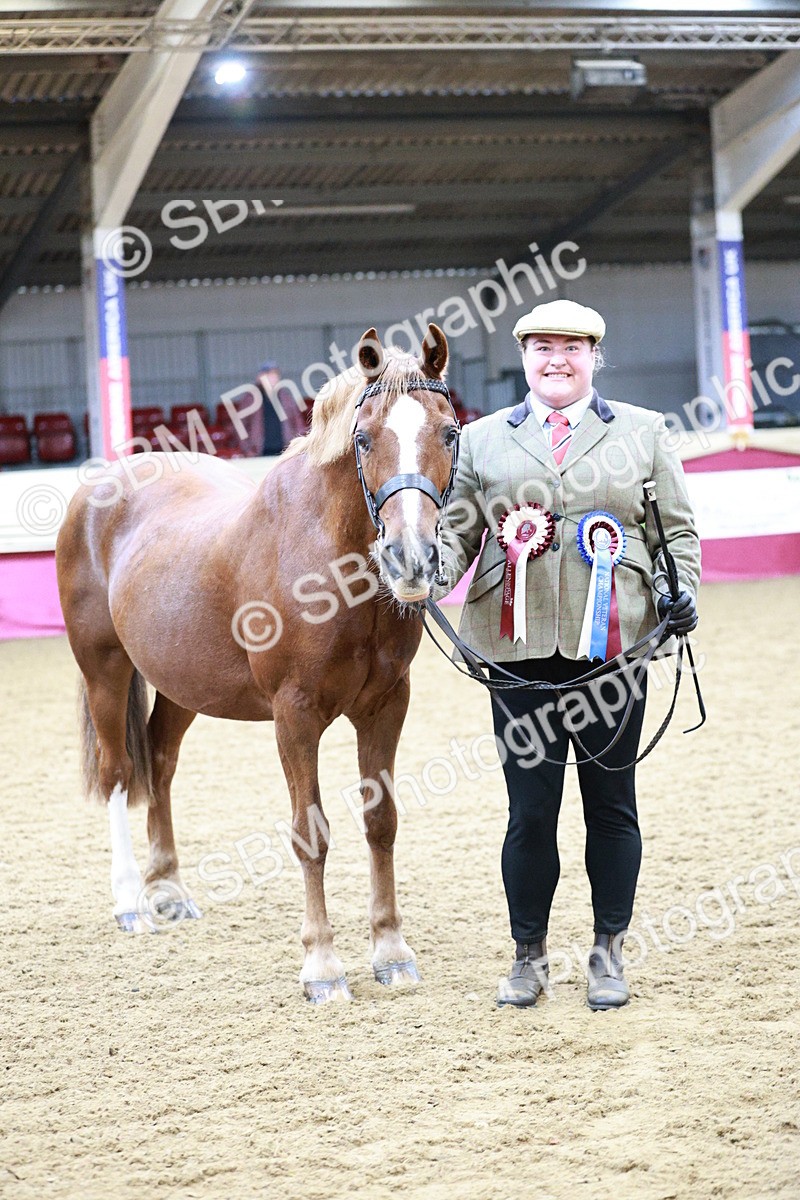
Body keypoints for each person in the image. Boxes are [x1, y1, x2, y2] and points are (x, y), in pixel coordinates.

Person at [437, 300, 700, 1011]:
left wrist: (686, 594)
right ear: (524, 356)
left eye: (572, 347)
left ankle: (608, 952)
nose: (557, 359)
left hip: (615, 652)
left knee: (611, 807)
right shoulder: (481, 440)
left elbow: (676, 532)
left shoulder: (644, 433)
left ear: (595, 356)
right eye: (543, 347)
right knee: (530, 813)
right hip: (515, 652)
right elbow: (458, 538)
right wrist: (422, 574)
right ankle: (528, 958)